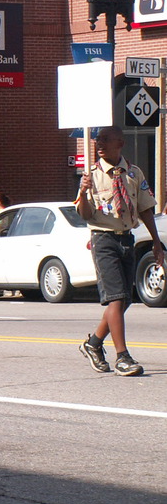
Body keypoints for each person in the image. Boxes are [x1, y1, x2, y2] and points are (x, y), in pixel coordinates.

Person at [76, 125, 162, 376]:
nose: (99, 144)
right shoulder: (91, 175)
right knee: (115, 297)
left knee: (124, 299)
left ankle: (93, 344)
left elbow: (145, 208)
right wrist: (82, 192)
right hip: (103, 239)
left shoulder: (133, 173)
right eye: (97, 140)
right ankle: (122, 356)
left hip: (126, 239)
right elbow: (85, 214)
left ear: (120, 143)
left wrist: (156, 242)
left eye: (105, 139)